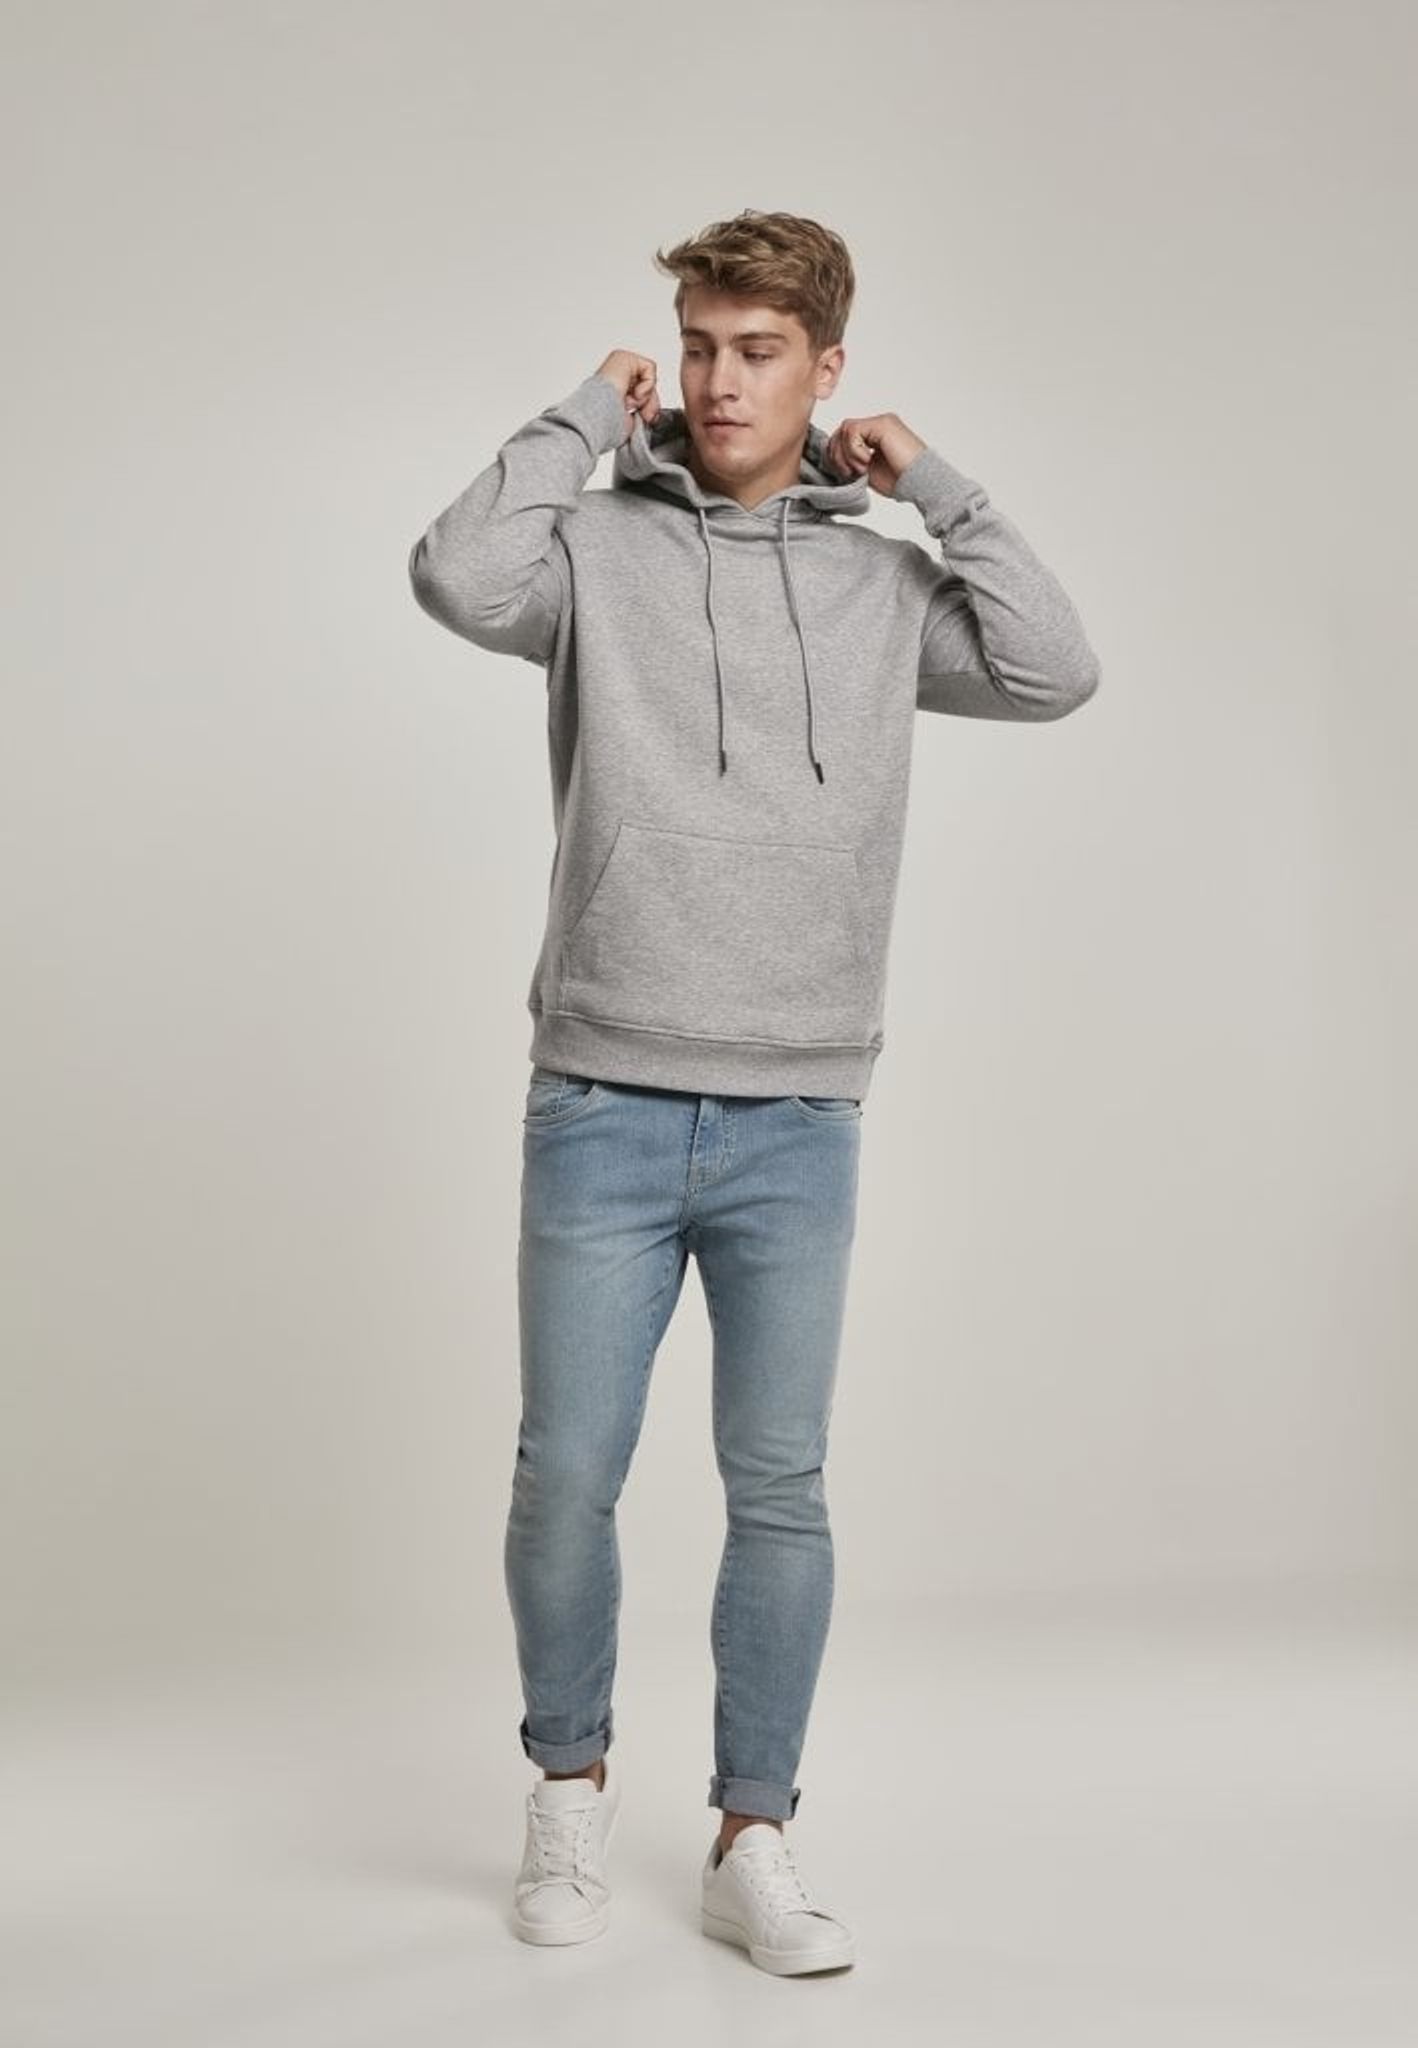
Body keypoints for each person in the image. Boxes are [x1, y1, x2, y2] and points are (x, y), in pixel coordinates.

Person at [407, 208, 1100, 1974]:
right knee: (566, 1476)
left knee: (777, 1486)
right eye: (700, 346)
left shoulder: (882, 590)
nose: (722, 381)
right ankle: (568, 1789)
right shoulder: (587, 552)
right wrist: (586, 407)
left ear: (825, 368)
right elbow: (456, 575)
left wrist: (931, 481)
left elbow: (1054, 666)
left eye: (760, 350)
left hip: (799, 1111)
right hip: (602, 1091)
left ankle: (751, 1837)